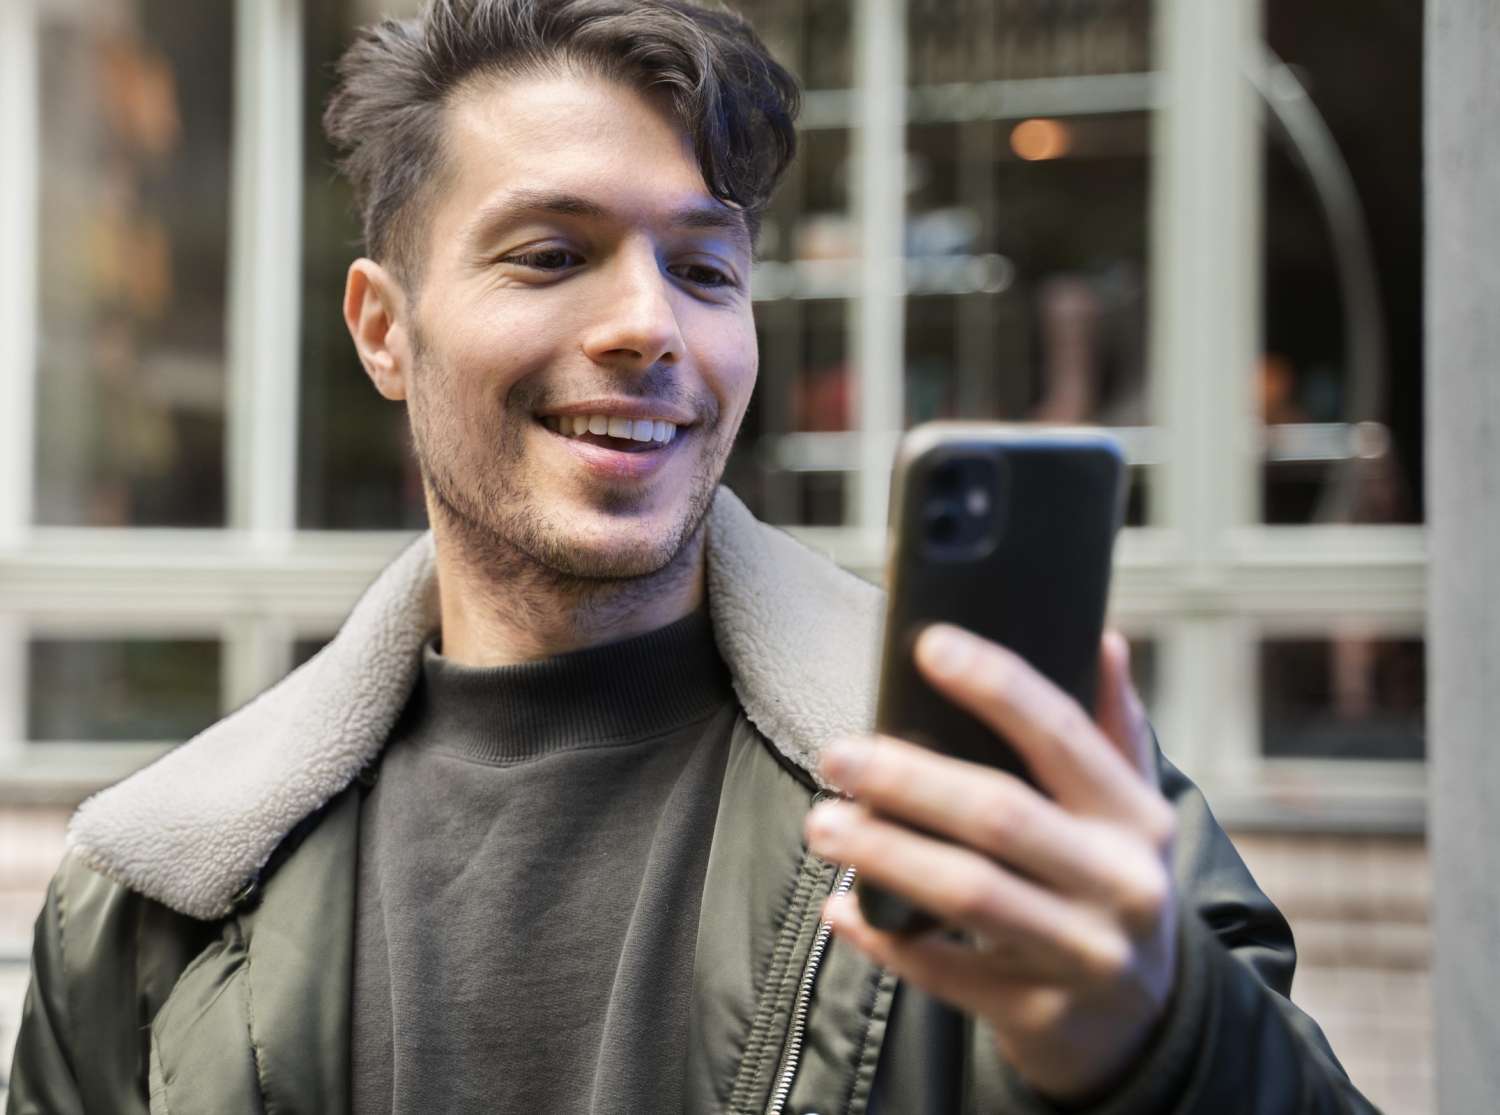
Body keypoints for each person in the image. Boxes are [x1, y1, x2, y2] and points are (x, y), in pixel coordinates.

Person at [7, 2, 1377, 1112]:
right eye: (551, 255)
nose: (649, 326)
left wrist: (1167, 1044)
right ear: (383, 329)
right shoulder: (154, 894)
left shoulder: (1000, 799)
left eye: (707, 270)